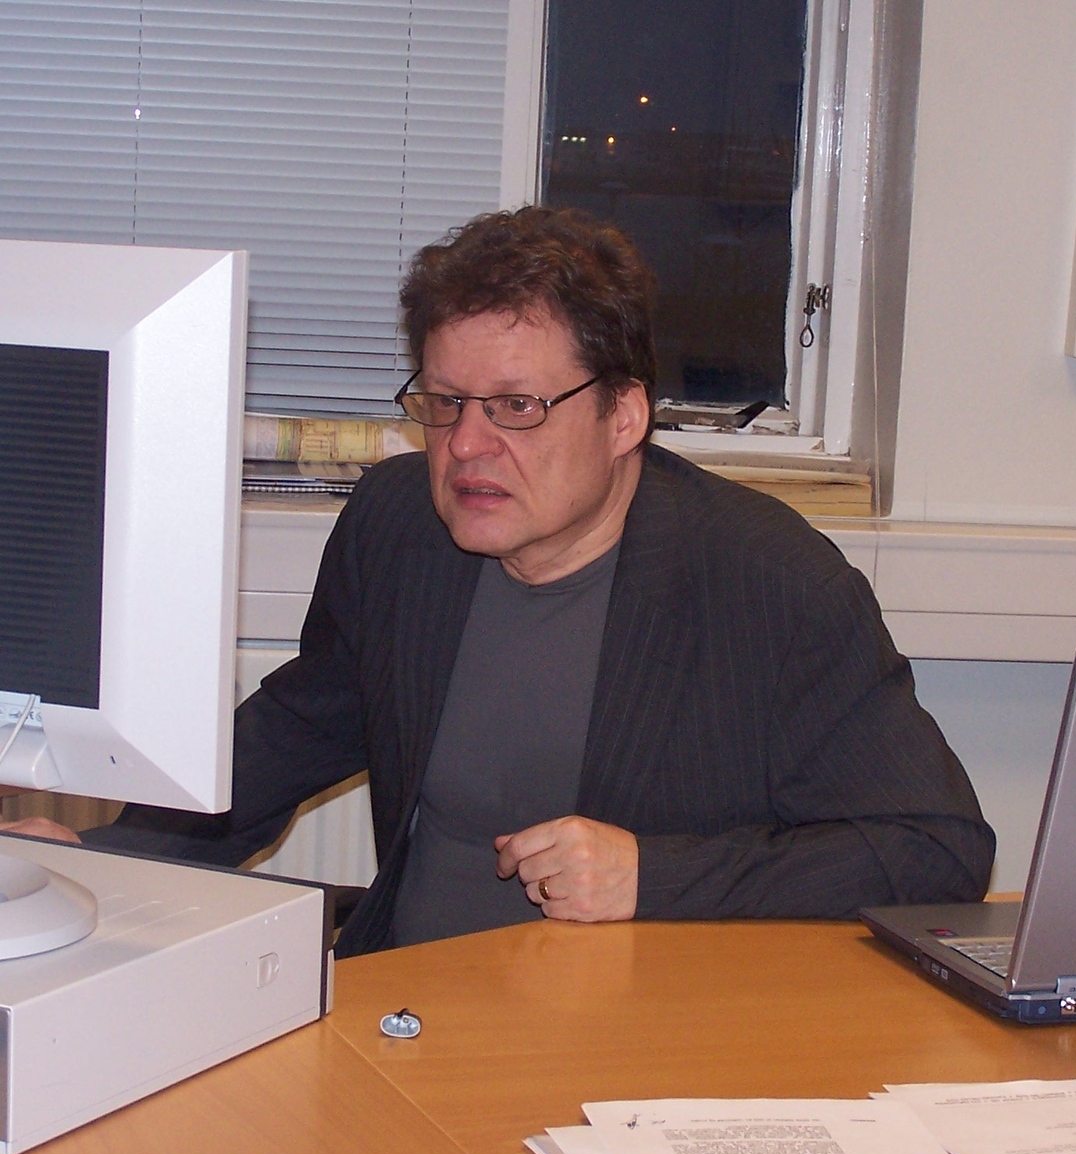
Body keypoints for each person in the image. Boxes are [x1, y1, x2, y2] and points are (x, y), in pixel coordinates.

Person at [7, 207, 994, 956]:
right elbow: (293, 736)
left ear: (623, 416)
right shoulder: (399, 527)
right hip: (402, 1000)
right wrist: (102, 860)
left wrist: (653, 876)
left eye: (517, 407)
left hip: (628, 1042)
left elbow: (936, 850)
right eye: (445, 403)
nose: (468, 445)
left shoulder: (769, 584)